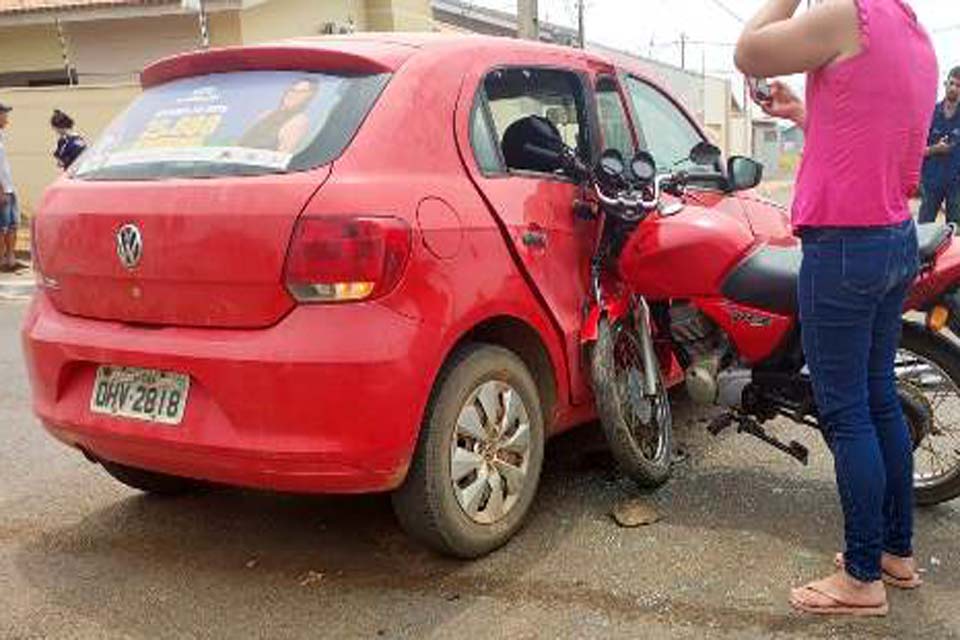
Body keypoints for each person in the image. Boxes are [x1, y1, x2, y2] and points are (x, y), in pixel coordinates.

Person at [736, 0, 937, 617]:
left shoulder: (850, 15)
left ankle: (860, 578)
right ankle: (893, 556)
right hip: (893, 237)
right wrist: (801, 111)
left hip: (845, 246)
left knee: (846, 412)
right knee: (876, 401)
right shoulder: (912, 31)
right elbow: (866, 136)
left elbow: (748, 51)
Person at [918, 67, 960, 224]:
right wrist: (935, 149)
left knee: (955, 233)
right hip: (931, 183)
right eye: (952, 83)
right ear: (945, 83)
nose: (954, 88)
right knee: (923, 228)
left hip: (956, 185)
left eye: (959, 86)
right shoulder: (930, 113)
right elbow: (917, 151)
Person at [238, 78, 318, 154]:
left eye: (301, 92)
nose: (292, 94)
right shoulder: (267, 114)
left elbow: (282, 156)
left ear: (309, 97)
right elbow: (242, 142)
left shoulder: (298, 121)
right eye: (292, 90)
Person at [0, 102, 21, 273]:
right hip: (2, 190)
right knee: (2, 227)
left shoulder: (0, 136)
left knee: (13, 224)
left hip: (9, 188)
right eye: (4, 114)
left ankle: (11, 259)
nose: (7, 118)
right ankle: (2, 260)